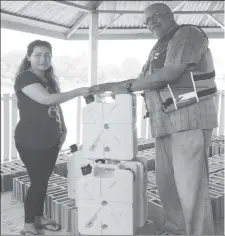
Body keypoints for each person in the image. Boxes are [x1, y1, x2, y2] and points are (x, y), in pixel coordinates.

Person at [90, 3, 218, 235]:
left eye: (155, 17)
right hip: (163, 124)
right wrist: (112, 87)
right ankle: (176, 229)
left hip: (189, 120)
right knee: (166, 184)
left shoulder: (188, 34)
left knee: (191, 187)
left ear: (170, 14)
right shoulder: (158, 47)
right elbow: (143, 80)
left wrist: (123, 86)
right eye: (147, 22)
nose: (151, 24)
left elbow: (169, 74)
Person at [14, 40, 90, 235]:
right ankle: (29, 225)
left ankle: (39, 218)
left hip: (51, 140)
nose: (43, 59)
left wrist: (63, 128)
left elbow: (55, 106)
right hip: (31, 141)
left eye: (47, 55)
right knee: (38, 182)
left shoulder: (49, 79)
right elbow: (46, 99)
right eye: (38, 55)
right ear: (29, 57)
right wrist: (79, 91)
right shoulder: (25, 78)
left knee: (43, 181)